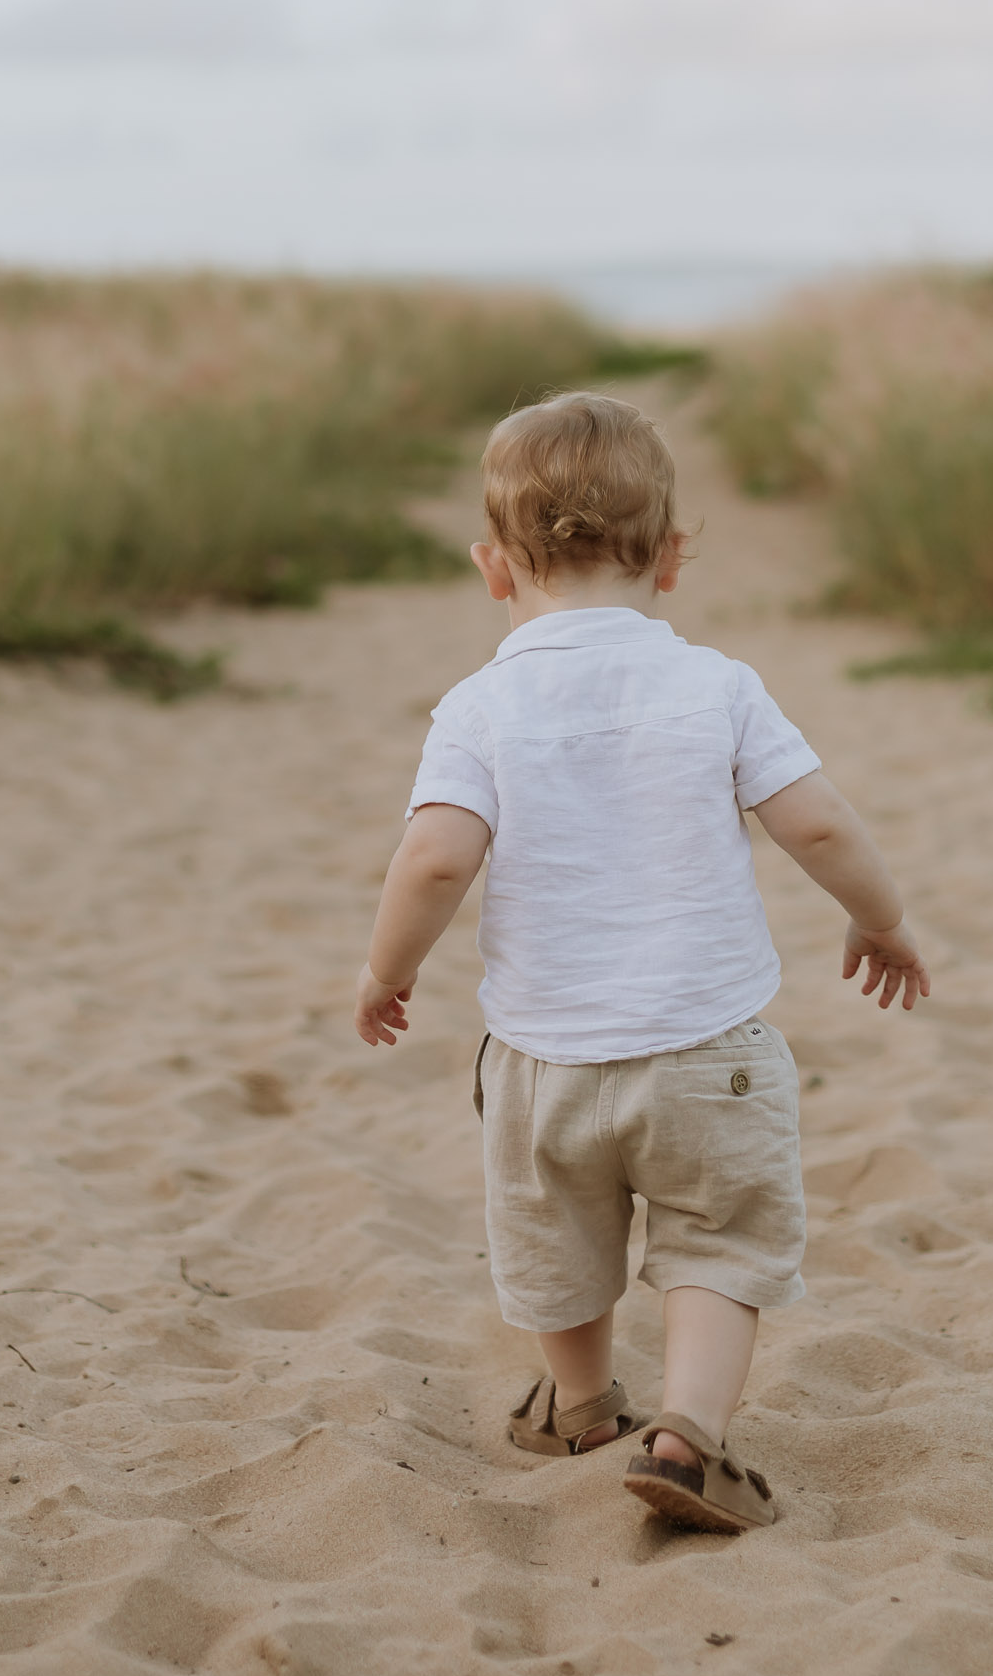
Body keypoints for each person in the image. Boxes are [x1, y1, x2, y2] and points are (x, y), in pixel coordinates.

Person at [353, 391, 929, 1534]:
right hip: (705, 1047)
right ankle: (687, 1434)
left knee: (555, 1242)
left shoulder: (477, 706)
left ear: (491, 567)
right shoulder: (715, 684)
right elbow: (812, 824)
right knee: (720, 1239)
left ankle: (578, 1405)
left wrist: (386, 971)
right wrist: (880, 918)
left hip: (541, 1059)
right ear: (670, 558)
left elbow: (431, 860)